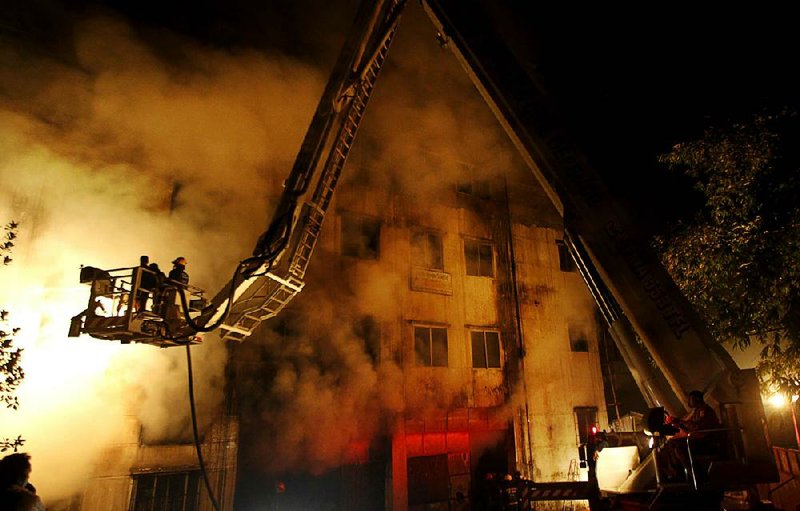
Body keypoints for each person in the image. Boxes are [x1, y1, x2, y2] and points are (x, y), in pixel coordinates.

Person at [662, 390, 721, 481]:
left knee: (679, 448)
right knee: (671, 444)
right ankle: (675, 473)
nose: (688, 402)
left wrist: (679, 422)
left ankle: (695, 475)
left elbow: (697, 427)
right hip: (699, 440)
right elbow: (690, 426)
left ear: (697, 399)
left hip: (706, 442)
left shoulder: (705, 411)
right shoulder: (697, 411)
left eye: (690, 399)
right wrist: (677, 423)